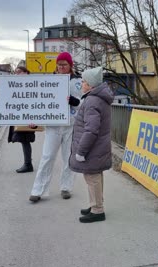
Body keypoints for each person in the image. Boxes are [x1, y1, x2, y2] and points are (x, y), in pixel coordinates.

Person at [29, 52, 82, 202]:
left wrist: (74, 101)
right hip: (53, 126)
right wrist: (35, 120)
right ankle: (38, 190)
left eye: (64, 65)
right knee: (47, 157)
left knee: (68, 158)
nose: (61, 67)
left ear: (70, 65)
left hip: (71, 126)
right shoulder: (49, 81)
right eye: (59, 65)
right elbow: (40, 102)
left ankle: (66, 187)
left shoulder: (78, 81)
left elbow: (85, 103)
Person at [69, 66, 114, 223]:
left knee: (92, 177)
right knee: (96, 176)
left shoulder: (92, 101)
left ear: (90, 85)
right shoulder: (97, 98)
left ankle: (97, 210)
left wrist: (81, 152)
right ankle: (95, 204)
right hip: (98, 148)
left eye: (83, 82)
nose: (81, 84)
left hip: (92, 149)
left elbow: (91, 130)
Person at [8, 65, 37, 173]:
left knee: (25, 140)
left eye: (19, 72)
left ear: (26, 73)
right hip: (20, 117)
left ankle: (28, 164)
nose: (17, 74)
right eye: (15, 72)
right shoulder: (18, 85)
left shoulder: (32, 84)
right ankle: (27, 163)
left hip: (28, 118)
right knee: (23, 141)